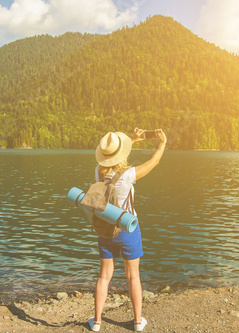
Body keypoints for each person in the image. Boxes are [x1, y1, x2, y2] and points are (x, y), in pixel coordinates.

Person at [88, 128, 167, 332]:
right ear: (121, 153)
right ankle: (138, 322)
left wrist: (133, 140)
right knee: (133, 276)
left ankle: (96, 322)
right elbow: (154, 162)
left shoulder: (98, 171)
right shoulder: (129, 174)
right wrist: (162, 144)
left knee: (104, 276)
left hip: (105, 228)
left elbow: (110, 162)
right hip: (127, 229)